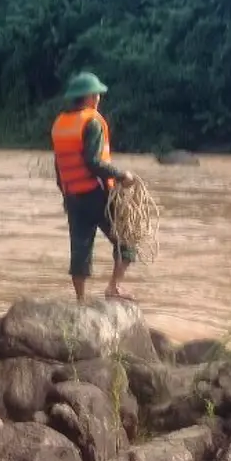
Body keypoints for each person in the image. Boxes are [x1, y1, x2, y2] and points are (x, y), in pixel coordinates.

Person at [50, 71, 137, 302]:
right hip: (98, 194)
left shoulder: (60, 123)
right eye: (97, 94)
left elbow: (59, 165)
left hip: (73, 196)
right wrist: (121, 175)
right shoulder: (92, 122)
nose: (99, 98)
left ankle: (80, 300)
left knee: (79, 249)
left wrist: (66, 193)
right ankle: (114, 287)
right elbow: (93, 161)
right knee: (127, 240)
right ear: (89, 97)